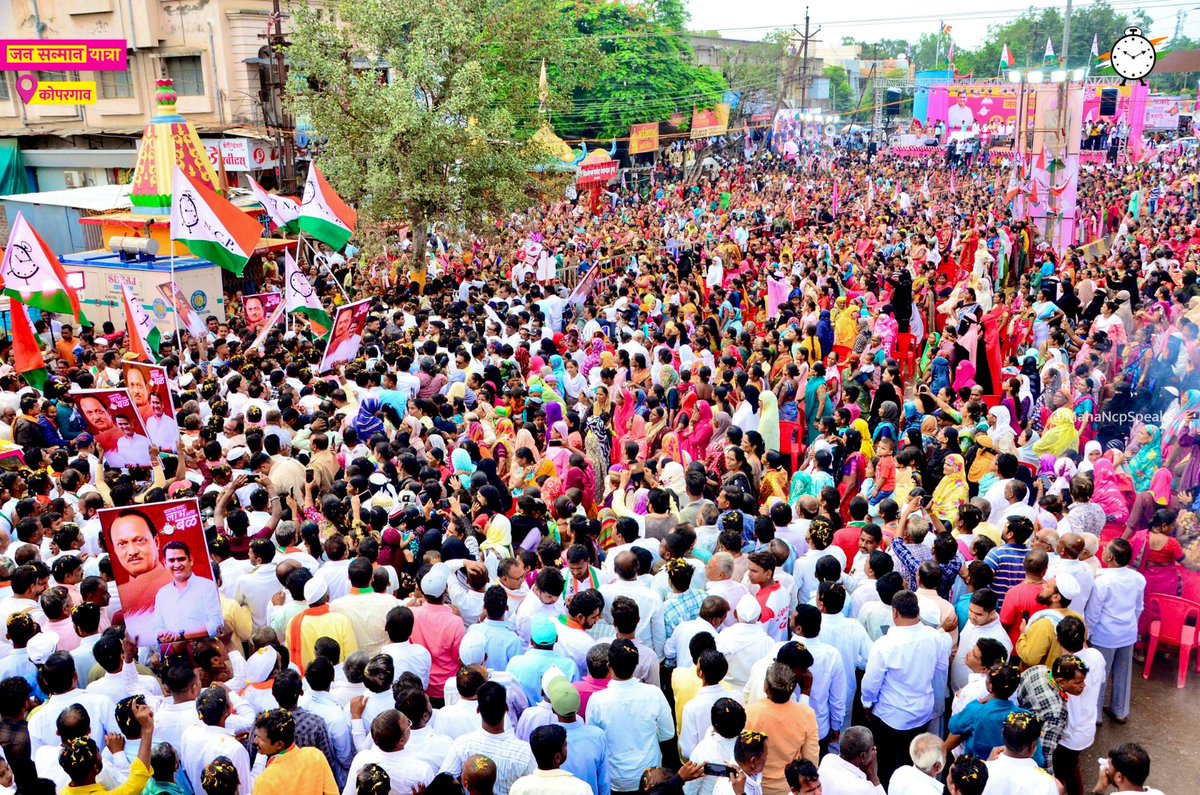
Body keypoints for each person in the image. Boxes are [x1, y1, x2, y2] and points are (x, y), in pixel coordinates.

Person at [859, 592, 948, 787]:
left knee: (886, 765)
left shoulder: (885, 644)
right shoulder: (936, 638)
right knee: (913, 765)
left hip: (890, 715)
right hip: (921, 712)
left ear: (895, 613)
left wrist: (867, 703)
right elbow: (940, 673)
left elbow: (871, 682)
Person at [585, 639, 674, 795]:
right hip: (650, 774)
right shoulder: (653, 694)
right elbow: (668, 732)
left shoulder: (597, 701)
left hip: (617, 778)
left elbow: (595, 740)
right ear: (636, 665)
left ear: (609, 667)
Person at [1085, 539, 1144, 725]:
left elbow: (1093, 614)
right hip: (1127, 632)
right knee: (1123, 673)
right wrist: (1131, 625)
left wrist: (1088, 633)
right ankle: (1120, 711)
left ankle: (1096, 715)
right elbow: (1138, 607)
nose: (1102, 550)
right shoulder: (1138, 578)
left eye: (1105, 549)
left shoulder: (1102, 581)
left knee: (1099, 675)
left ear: (1109, 556)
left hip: (1105, 634)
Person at [439, 681, 535, 795]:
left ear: (478, 710)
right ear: (506, 708)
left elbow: (440, 784)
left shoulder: (462, 745)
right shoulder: (524, 753)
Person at [107, 508, 173, 643]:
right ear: (114, 550)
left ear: (156, 542)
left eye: (139, 540)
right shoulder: (123, 595)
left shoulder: (184, 584)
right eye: (122, 544)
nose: (132, 551)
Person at [251, 708, 339, 795]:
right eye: (256, 736)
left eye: (260, 738)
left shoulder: (265, 781)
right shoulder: (316, 756)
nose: (254, 741)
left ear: (279, 745)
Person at [152, 541, 224, 645]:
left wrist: (181, 636)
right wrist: (162, 635)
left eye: (181, 559)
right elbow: (157, 627)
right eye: (171, 560)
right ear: (165, 563)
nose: (177, 564)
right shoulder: (162, 593)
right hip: (173, 655)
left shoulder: (207, 586)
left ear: (190, 560)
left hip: (204, 651)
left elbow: (216, 624)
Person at [982, 712, 1059, 795]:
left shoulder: (981, 772)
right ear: (1033, 746)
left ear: (1002, 734)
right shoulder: (1047, 783)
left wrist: (985, 765)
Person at [508, 724, 590, 795]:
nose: (566, 748)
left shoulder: (519, 787)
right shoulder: (580, 789)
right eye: (565, 745)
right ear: (557, 757)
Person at [817, 725, 883, 795]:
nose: (874, 751)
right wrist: (873, 776)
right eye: (872, 748)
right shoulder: (863, 788)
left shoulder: (827, 760)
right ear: (863, 755)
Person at [1090, 743, 1164, 795]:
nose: (1106, 768)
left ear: (1119, 777)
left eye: (1109, 765)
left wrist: (1099, 788)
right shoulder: (1158, 793)